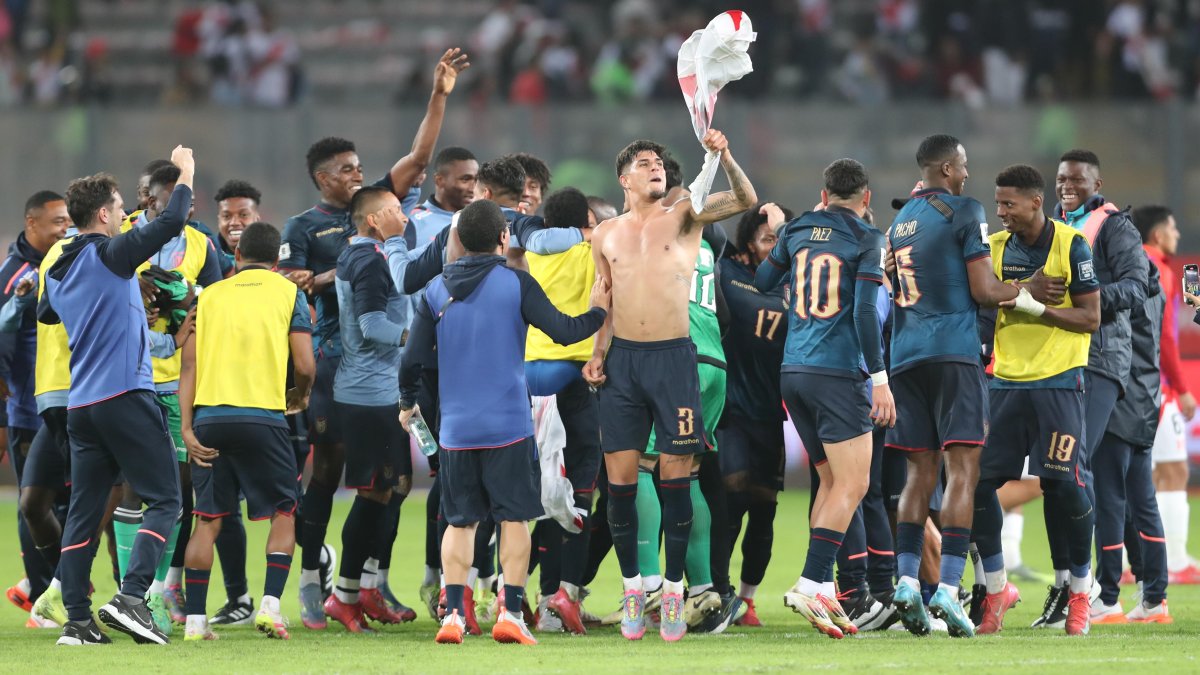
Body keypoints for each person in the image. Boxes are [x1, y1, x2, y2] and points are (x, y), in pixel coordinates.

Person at [280, 48, 468, 628]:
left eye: (360, 167)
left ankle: (370, 583)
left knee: (392, 481)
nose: (358, 174)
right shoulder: (303, 228)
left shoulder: (377, 210)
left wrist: (439, 95)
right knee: (330, 475)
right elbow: (292, 286)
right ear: (322, 178)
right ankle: (313, 582)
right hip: (336, 363)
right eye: (346, 169)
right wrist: (335, 276)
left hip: (383, 367)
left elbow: (420, 157)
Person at [399, 199, 609, 645]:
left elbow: (411, 360)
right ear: (503, 237)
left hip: (456, 431)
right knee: (515, 520)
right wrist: (598, 311)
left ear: (458, 240)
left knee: (460, 523)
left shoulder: (435, 290)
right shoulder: (517, 283)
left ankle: (454, 616)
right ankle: (510, 612)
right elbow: (565, 332)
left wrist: (405, 403)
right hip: (509, 428)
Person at [584, 130, 756, 642]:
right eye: (644, 162)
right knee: (620, 483)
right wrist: (596, 352)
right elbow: (603, 296)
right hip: (622, 364)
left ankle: (677, 590)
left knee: (677, 478)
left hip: (674, 361)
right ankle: (635, 589)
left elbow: (745, 198)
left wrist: (724, 155)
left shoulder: (684, 215)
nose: (655, 166)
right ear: (624, 178)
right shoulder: (604, 234)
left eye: (658, 161)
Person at [884, 135, 1056, 638]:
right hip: (953, 353)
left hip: (905, 355)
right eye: (961, 165)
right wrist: (1027, 291)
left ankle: (907, 582)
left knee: (918, 473)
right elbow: (983, 290)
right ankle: (947, 588)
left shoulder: (899, 221)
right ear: (945, 168)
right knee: (963, 470)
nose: (966, 173)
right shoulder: (964, 210)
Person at [38, 146, 193, 646]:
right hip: (125, 395)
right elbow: (172, 221)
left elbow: (46, 313)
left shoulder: (58, 267)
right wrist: (186, 171)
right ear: (103, 215)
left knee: (84, 514)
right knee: (166, 499)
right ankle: (132, 597)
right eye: (120, 207)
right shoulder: (110, 254)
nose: (125, 214)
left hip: (81, 406)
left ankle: (77, 621)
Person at [753, 158, 893, 640]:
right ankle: (811, 583)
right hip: (837, 374)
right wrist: (879, 379)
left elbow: (765, 282)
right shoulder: (869, 238)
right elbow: (864, 314)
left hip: (794, 372)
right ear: (866, 198)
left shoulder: (797, 231)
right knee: (855, 484)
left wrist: (784, 232)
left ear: (823, 194)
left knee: (832, 482)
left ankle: (825, 588)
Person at [972, 164, 1100, 637]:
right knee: (978, 485)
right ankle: (996, 589)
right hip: (1005, 383)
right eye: (998, 203)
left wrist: (1036, 307)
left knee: (1063, 486)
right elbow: (981, 298)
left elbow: (1090, 318)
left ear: (1035, 202)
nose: (1001, 212)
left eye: (1009, 204)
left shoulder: (1072, 245)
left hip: (1058, 383)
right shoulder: (994, 248)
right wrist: (1021, 293)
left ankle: (1081, 592)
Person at [177, 221, 315, 641]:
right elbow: (305, 364)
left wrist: (187, 427)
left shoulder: (209, 296)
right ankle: (270, 607)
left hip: (209, 420)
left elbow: (189, 366)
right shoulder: (289, 292)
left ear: (236, 257)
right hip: (262, 418)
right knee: (284, 511)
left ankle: (195, 622)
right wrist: (300, 395)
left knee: (207, 519)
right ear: (276, 261)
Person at [1033, 149, 1148, 629]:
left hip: (1099, 361)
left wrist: (1087, 296)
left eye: (1077, 180)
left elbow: (1139, 286)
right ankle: (1065, 584)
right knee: (1052, 473)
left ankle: (1095, 590)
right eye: (1062, 179)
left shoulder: (1115, 227)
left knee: (1073, 466)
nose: (1067, 186)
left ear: (1096, 183)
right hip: (1052, 359)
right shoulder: (1048, 227)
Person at [114, 162, 222, 632]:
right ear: (146, 198)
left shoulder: (201, 244)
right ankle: (128, 591)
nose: (185, 208)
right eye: (173, 199)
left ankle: (157, 593)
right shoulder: (117, 236)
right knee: (132, 488)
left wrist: (188, 296)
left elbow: (216, 303)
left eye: (189, 200)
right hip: (129, 380)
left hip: (180, 383)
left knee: (174, 490)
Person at [317, 185, 419, 632]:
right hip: (370, 395)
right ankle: (344, 596)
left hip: (381, 390)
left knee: (394, 490)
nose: (404, 216)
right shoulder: (368, 260)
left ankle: (368, 589)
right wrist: (418, 338)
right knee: (375, 493)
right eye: (395, 210)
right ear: (374, 220)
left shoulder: (364, 255)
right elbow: (372, 324)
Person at [522, 187, 602, 635]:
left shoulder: (529, 255)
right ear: (585, 222)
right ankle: (563, 596)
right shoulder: (591, 252)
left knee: (537, 493)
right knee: (578, 488)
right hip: (573, 374)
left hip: (529, 377)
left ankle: (515, 593)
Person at [1091, 223, 1169, 624]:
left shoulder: (1125, 289)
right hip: (1147, 399)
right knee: (1144, 502)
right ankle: (1155, 599)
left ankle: (1107, 596)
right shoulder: (1157, 288)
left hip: (1119, 395)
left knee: (1108, 500)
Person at [718, 202, 790, 628]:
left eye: (781, 240)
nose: (775, 247)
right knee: (730, 503)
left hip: (769, 414)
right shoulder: (727, 273)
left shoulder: (797, 284)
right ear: (748, 242)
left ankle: (748, 601)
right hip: (730, 411)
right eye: (768, 240)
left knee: (765, 510)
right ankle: (717, 592)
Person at [0, 191, 69, 624]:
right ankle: (43, 592)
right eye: (57, 222)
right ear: (31, 223)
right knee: (35, 502)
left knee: (63, 502)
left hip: (61, 402)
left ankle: (46, 584)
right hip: (28, 410)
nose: (65, 229)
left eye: (68, 221)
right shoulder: (15, 275)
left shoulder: (59, 264)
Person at [1140, 205, 1199, 585]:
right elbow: (1166, 337)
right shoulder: (1160, 271)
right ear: (1159, 234)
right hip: (1158, 386)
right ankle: (1175, 561)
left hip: (1134, 384)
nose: (1178, 235)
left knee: (1138, 474)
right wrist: (1181, 388)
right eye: (1173, 229)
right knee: (1174, 470)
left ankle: (1131, 561)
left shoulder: (1138, 265)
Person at [211, 179, 263, 276]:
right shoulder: (207, 255)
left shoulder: (273, 254)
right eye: (227, 216)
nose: (234, 222)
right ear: (219, 220)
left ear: (257, 219)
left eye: (243, 215)